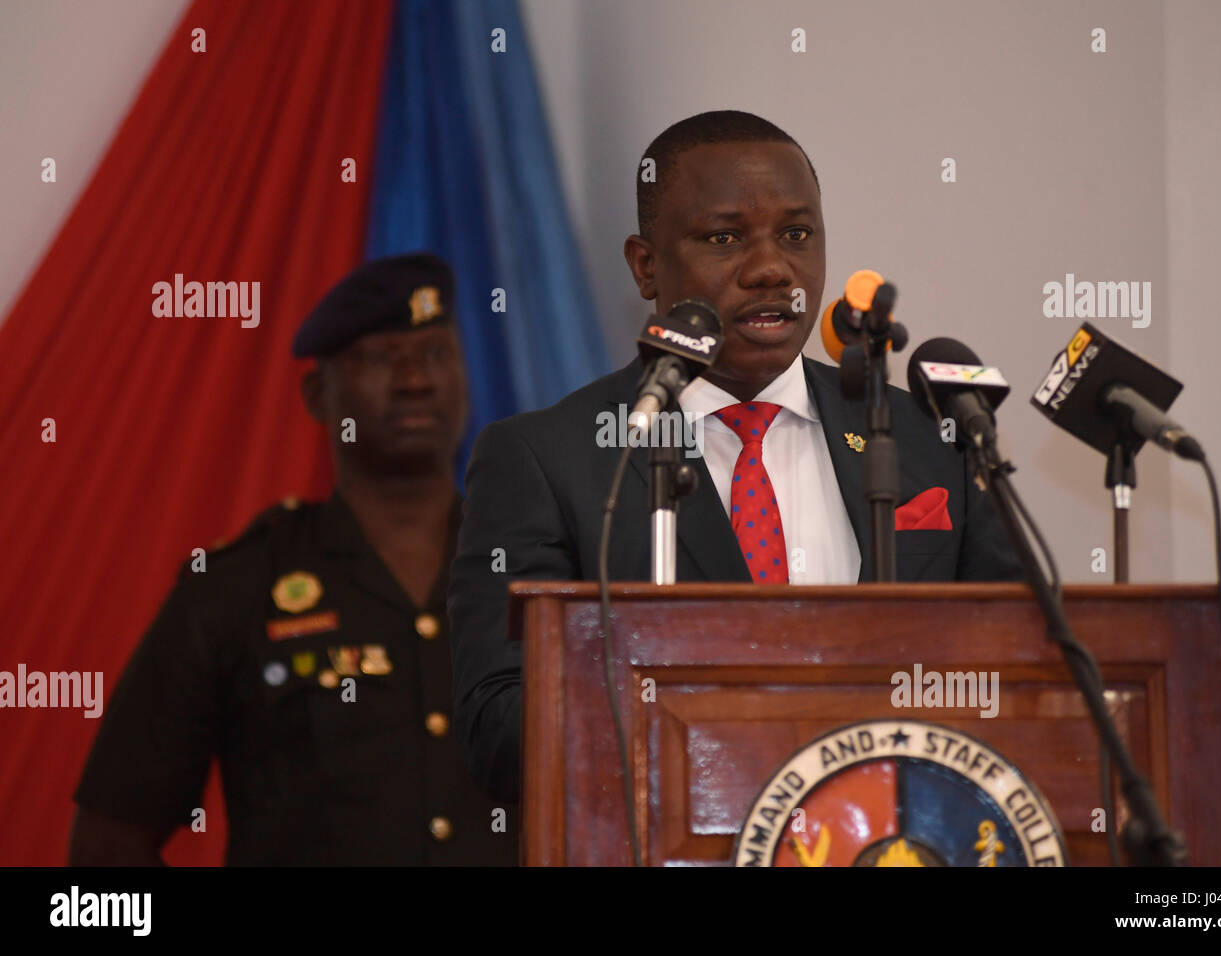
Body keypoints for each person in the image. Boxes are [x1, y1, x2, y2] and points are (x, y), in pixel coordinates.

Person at [449, 110, 1024, 803]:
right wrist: (720, 719)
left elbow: (1022, 675)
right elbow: (500, 733)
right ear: (646, 265)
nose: (771, 269)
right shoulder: (545, 459)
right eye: (724, 238)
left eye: (797, 235)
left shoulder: (929, 439)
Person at [70, 253, 517, 865]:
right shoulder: (239, 587)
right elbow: (107, 845)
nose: (417, 380)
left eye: (437, 354)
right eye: (382, 359)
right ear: (315, 393)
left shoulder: (530, 571)